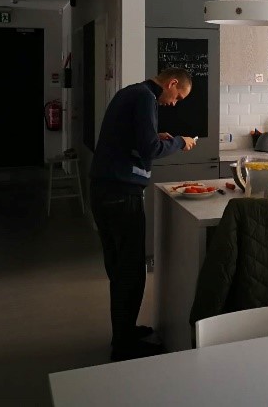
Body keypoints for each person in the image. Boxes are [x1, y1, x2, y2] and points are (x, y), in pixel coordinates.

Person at [90, 67, 197, 361]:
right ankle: (124, 346)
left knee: (119, 267)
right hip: (121, 194)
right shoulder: (145, 99)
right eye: (178, 96)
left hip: (105, 191)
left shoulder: (133, 92)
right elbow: (149, 149)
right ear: (172, 83)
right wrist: (178, 141)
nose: (174, 103)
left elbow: (136, 140)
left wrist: (156, 136)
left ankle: (124, 332)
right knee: (131, 270)